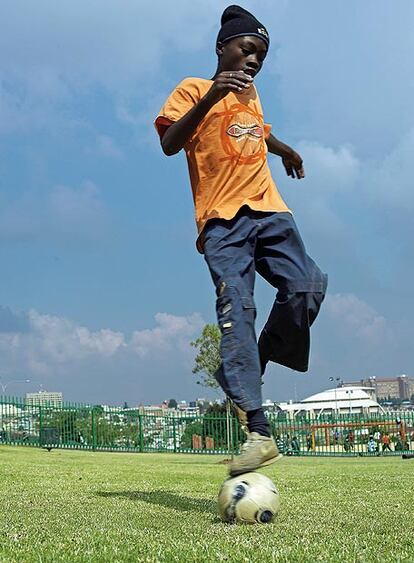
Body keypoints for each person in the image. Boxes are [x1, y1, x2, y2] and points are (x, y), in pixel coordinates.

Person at [155, 5, 327, 475]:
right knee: (240, 308)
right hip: (223, 223)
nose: (254, 62)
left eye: (261, 57)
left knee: (307, 286)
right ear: (223, 48)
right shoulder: (194, 89)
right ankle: (258, 432)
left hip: (271, 211)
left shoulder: (253, 95)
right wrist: (211, 96)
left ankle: (253, 363)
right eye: (247, 50)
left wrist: (285, 148)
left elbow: (257, 131)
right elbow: (170, 143)